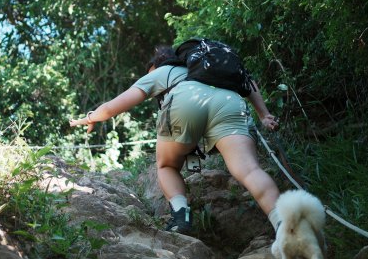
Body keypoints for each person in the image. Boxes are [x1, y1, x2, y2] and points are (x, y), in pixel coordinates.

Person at [69, 45, 283, 235]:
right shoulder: (206, 69)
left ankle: (181, 217)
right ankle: (285, 226)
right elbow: (247, 79)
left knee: (167, 165)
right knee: (250, 170)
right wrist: (263, 115)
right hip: (229, 100)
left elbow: (110, 108)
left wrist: (88, 118)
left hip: (186, 99)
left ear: (157, 65)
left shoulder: (161, 72)